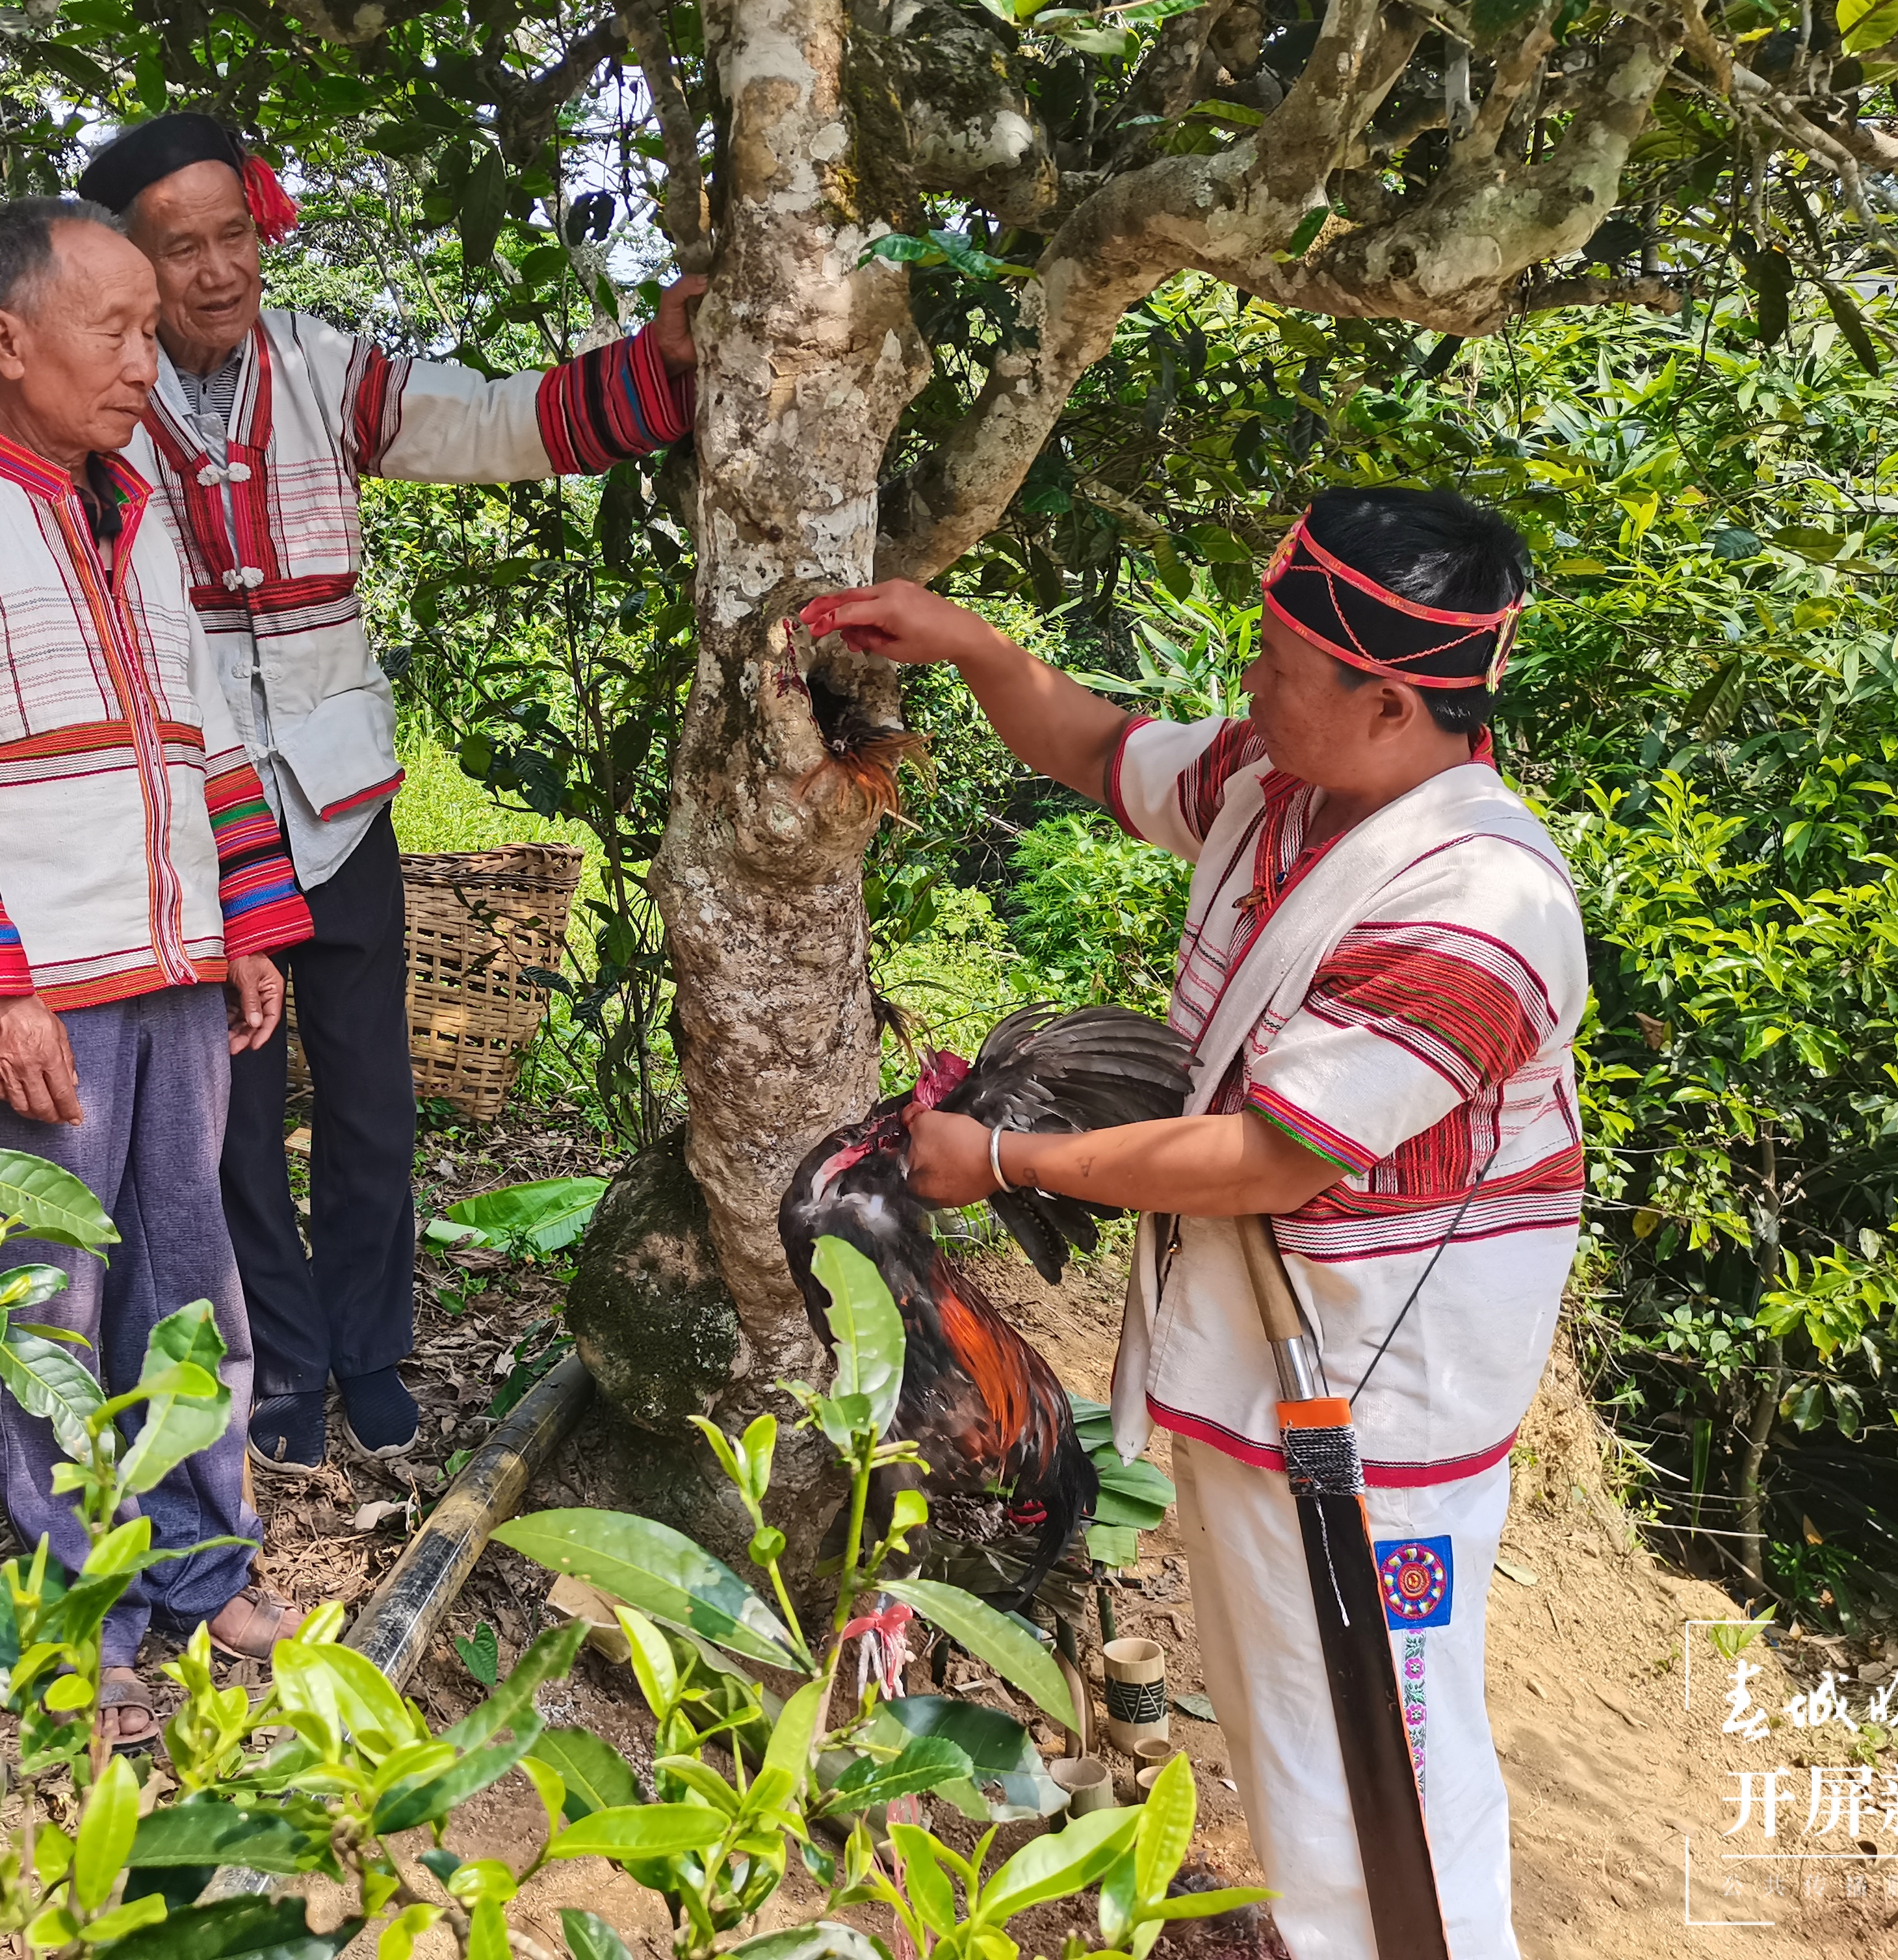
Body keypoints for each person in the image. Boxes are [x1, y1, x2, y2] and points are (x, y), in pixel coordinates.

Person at [806, 486, 1584, 1960]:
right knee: (1295, 1727)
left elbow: (1273, 1157)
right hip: (1270, 1366)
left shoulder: (1478, 906)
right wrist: (967, 645)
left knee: (1384, 1758)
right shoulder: (1277, 784)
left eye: (1282, 660)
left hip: (1377, 1412)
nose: (1250, 678)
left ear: (1391, 701)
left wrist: (1012, 1160)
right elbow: (1102, 748)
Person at [81, 113, 705, 1470]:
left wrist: (657, 369)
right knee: (236, 1118)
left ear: (261, 231)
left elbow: (485, 423)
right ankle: (287, 1361)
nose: (214, 272)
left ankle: (369, 1347)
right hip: (187, 815)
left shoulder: (317, 367)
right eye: (175, 248)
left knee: (372, 1099)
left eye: (231, 236)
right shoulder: (97, 410)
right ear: (124, 264)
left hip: (338, 795)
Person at [0, 197, 315, 1753]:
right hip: (43, 984)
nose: (139, 359)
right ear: (6, 337)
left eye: (149, 331)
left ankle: (203, 1557)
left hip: (170, 964)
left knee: (192, 1274)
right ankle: (71, 1608)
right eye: (110, 329)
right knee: (49, 1297)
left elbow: (207, 724)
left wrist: (246, 919)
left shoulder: (139, 509)